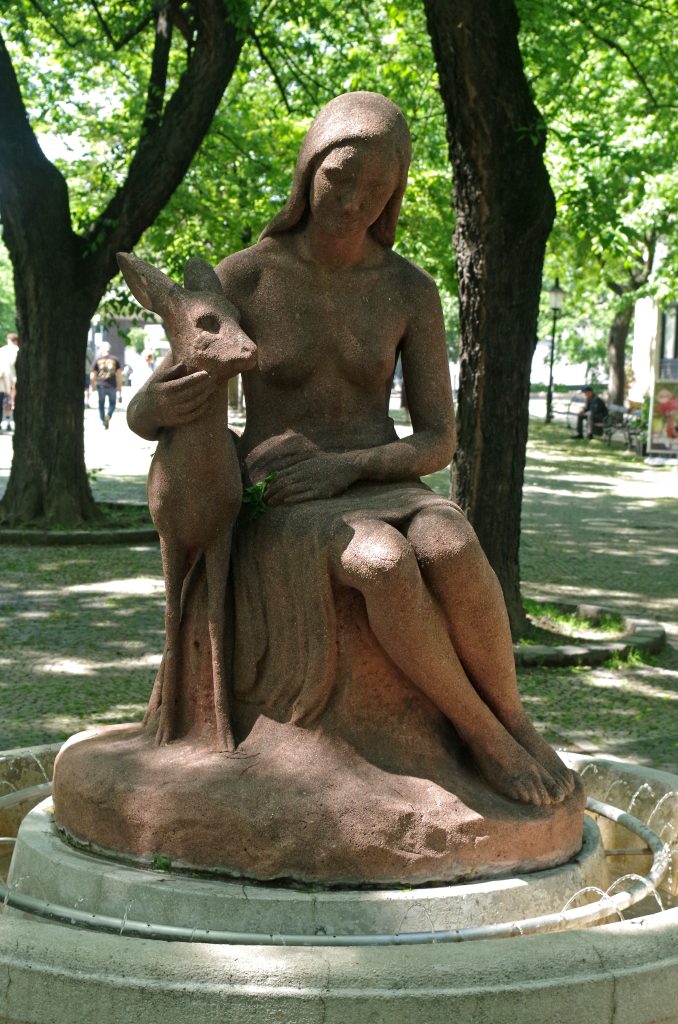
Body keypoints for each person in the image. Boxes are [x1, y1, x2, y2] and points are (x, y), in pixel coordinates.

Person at [128, 91, 576, 808]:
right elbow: (172, 381)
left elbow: (439, 439)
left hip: (377, 476)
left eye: (379, 187)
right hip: (284, 492)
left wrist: (350, 465)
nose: (357, 199)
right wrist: (149, 408)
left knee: (452, 544)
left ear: (396, 194)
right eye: (343, 175)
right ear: (310, 168)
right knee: (382, 561)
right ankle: (483, 738)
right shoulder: (247, 275)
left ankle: (515, 720)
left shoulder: (408, 290)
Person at [90, 342, 122, 428]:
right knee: (112, 403)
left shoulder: (97, 359)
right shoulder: (115, 359)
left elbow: (93, 374)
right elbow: (119, 374)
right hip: (112, 385)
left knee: (101, 403)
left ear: (102, 349)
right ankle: (108, 415)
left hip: (101, 385)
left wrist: (91, 386)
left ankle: (103, 419)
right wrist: (120, 388)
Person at [0, 332, 19, 432]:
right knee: (10, 403)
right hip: (13, 380)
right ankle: (8, 422)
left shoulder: (2, 351)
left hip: (2, 381)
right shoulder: (17, 350)